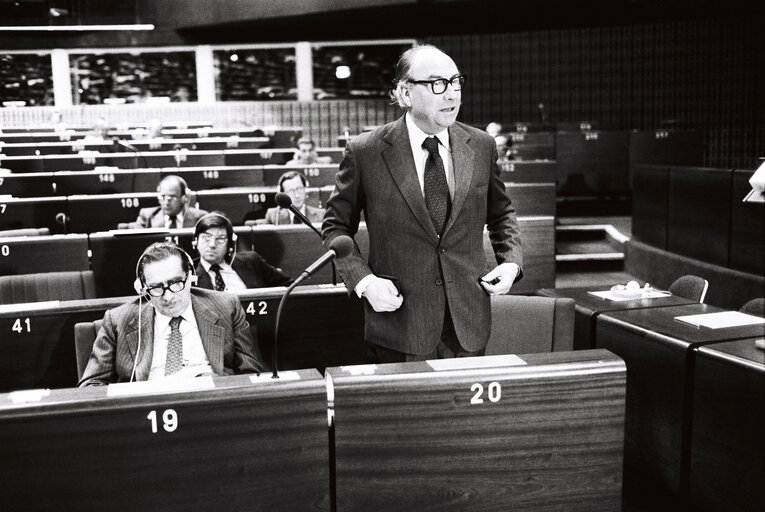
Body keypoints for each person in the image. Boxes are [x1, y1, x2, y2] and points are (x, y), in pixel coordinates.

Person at [322, 44, 523, 363]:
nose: (452, 95)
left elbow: (501, 214)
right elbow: (335, 227)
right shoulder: (365, 151)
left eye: (456, 82)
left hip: (467, 322)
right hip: (399, 321)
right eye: (437, 84)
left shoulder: (482, 145)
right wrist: (364, 281)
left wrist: (511, 261)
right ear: (404, 92)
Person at [78, 242, 265, 386]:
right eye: (156, 288)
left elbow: (251, 373)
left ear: (190, 277)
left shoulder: (226, 306)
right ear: (141, 288)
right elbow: (91, 386)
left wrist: (219, 384)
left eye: (176, 283)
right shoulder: (118, 320)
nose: (168, 297)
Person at [193, 212, 292, 290]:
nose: (212, 245)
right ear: (196, 241)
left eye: (220, 239)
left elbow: (290, 285)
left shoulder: (251, 261)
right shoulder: (188, 274)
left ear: (230, 244)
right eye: (206, 237)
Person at [134, 175, 208, 229]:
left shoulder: (201, 218)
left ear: (184, 198)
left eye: (172, 197)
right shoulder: (146, 216)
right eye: (163, 197)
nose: (166, 202)